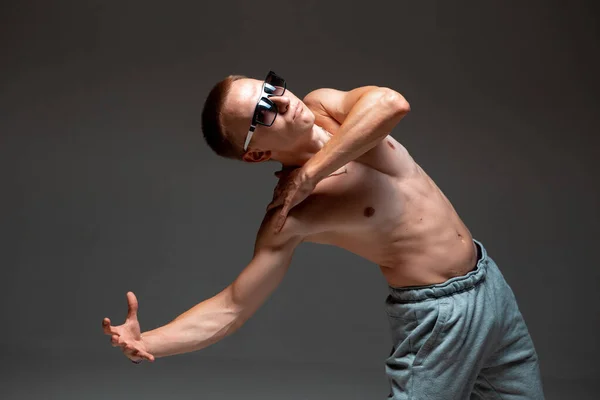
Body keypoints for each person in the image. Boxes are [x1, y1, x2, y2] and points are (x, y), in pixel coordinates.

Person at [102, 71, 545, 399]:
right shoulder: (293, 215)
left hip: (491, 285)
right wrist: (148, 341)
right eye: (262, 112)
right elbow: (233, 306)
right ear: (256, 154)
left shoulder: (328, 107)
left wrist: (311, 172)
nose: (280, 102)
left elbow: (391, 104)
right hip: (438, 319)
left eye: (270, 88)